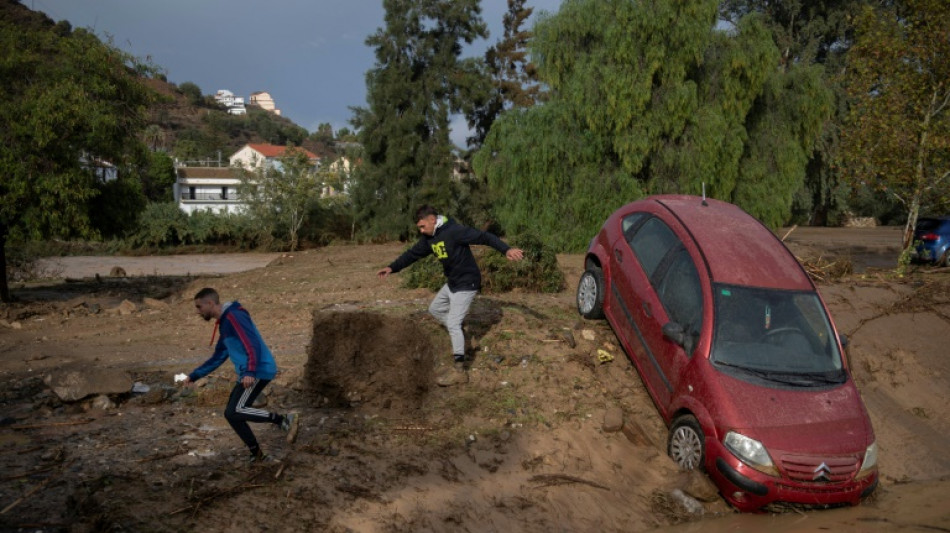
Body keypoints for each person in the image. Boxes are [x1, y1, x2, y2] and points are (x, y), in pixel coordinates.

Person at [377, 205, 524, 386]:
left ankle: (459, 371)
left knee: (453, 323)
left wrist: (506, 250)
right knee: (435, 309)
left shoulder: (455, 231)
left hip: (467, 282)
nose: (421, 231)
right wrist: (392, 267)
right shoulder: (429, 238)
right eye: (419, 228)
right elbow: (412, 254)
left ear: (432, 219)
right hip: (453, 282)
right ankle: (463, 338)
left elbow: (484, 237)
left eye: (423, 226)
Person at [182, 287, 299, 463]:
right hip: (248, 372)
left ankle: (283, 420)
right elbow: (219, 356)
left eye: (199, 307)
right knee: (231, 414)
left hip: (258, 370)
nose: (197, 311)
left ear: (210, 303)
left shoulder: (234, 316)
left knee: (236, 410)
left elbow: (252, 343)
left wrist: (250, 370)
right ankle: (257, 454)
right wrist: (194, 376)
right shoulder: (225, 323)